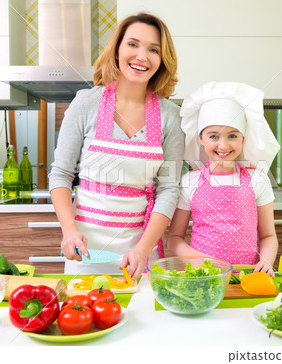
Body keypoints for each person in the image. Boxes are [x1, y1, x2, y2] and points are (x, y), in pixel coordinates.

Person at [49, 13, 184, 280]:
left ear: (162, 59)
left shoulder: (170, 116)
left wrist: (143, 250)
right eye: (133, 44)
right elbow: (61, 174)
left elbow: (169, 188)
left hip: (139, 255)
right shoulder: (86, 104)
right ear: (118, 49)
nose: (142, 56)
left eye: (153, 49)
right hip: (84, 252)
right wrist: (69, 230)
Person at [167, 81, 280, 276]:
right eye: (213, 136)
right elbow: (174, 238)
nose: (223, 144)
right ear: (200, 138)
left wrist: (267, 262)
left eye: (232, 136)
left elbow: (269, 235)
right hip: (201, 276)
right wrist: (198, 260)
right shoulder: (189, 182)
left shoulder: (257, 180)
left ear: (243, 139)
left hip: (246, 277)